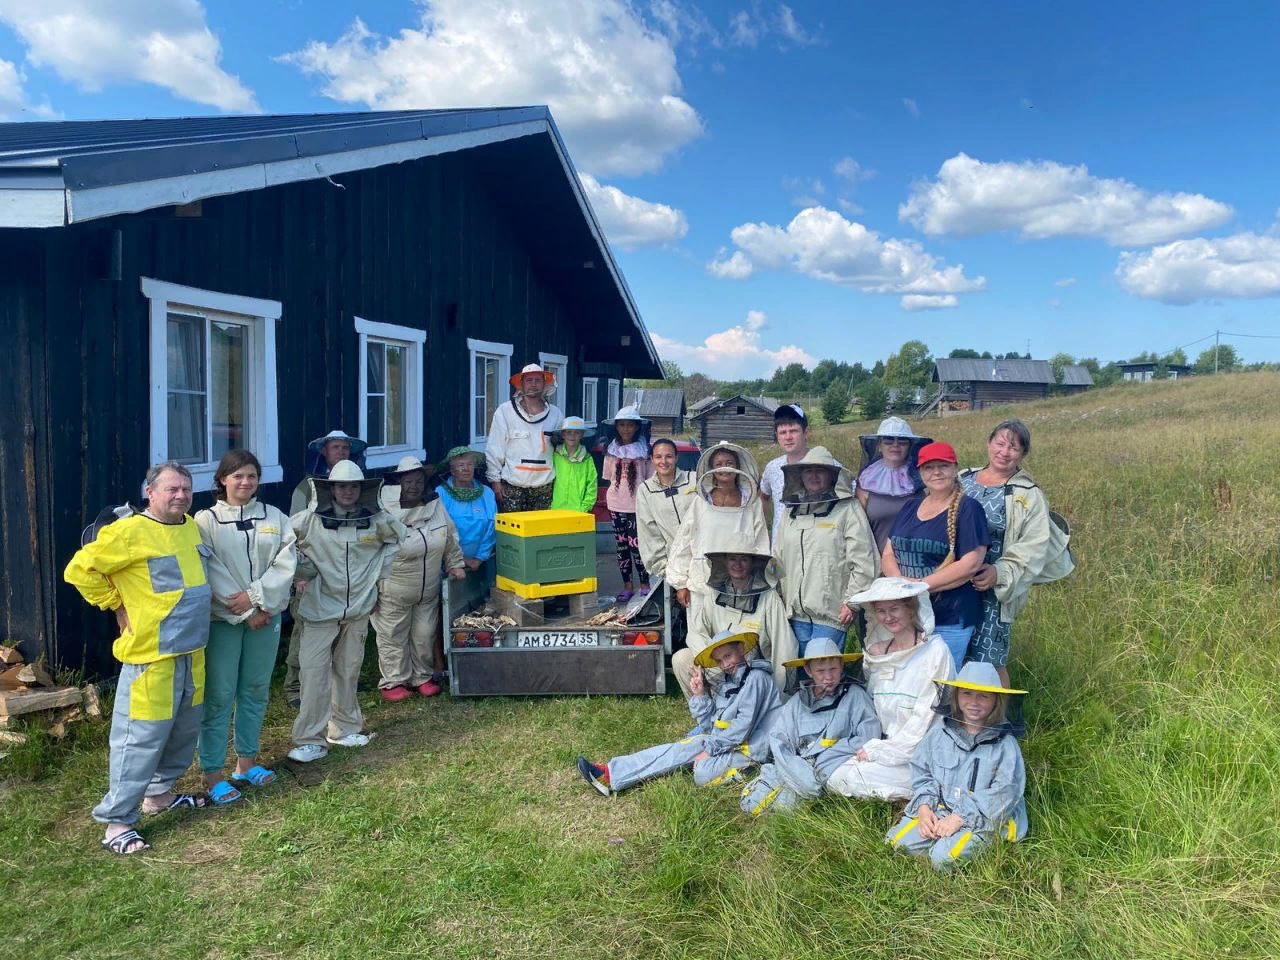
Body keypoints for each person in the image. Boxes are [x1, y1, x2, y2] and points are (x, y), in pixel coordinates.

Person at [64, 462, 213, 855]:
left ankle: (159, 796)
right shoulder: (127, 532)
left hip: (192, 652)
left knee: (182, 732)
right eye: (171, 489)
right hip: (152, 658)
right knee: (139, 740)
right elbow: (79, 570)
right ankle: (117, 823)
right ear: (150, 492)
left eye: (186, 488)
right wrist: (115, 604)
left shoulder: (191, 526)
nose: (180, 495)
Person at [194, 450, 297, 803]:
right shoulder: (205, 521)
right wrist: (243, 608)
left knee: (254, 690)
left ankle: (246, 763)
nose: (245, 482)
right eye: (237, 475)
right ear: (222, 479)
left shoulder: (276, 517)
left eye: (252, 475)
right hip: (224, 620)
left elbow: (287, 561)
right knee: (219, 695)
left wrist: (258, 601)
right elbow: (208, 566)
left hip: (264, 618)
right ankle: (213, 774)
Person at [288, 460, 406, 762]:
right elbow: (283, 545)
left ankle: (344, 728)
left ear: (363, 489)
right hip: (318, 611)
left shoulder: (378, 520)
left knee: (348, 671)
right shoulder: (308, 520)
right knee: (314, 675)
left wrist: (378, 575)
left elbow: (396, 539)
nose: (348, 492)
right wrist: (300, 571)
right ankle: (309, 739)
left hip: (357, 611)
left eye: (354, 486)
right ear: (330, 489)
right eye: (342, 486)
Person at [575, 629, 782, 795]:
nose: (726, 664)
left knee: (701, 772)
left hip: (755, 751)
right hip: (731, 744)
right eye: (720, 661)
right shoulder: (728, 684)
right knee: (682, 747)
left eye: (728, 656)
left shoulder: (757, 678)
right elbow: (712, 726)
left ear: (741, 649)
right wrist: (700, 695)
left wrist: (709, 750)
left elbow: (741, 728)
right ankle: (610, 773)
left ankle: (754, 770)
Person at [887, 661, 1028, 870]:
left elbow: (1005, 792)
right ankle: (938, 835)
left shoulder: (1005, 744)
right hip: (941, 807)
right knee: (897, 843)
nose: (974, 702)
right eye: (967, 693)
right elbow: (922, 772)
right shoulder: (939, 733)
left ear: (996, 700)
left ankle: (976, 841)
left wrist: (959, 818)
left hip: (984, 817)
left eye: (983, 696)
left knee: (942, 859)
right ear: (955, 695)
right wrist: (925, 809)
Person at [826, 578, 954, 802]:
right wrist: (872, 746)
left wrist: (881, 752)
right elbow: (870, 706)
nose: (888, 617)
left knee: (850, 778)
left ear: (911, 608)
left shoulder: (936, 653)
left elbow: (925, 720)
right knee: (836, 776)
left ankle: (926, 789)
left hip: (921, 751)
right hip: (880, 744)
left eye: (894, 608)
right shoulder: (878, 654)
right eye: (881, 611)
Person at [960, 419, 1059, 684]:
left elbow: (1034, 547)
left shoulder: (1028, 494)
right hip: (952, 583)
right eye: (1000, 443)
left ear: (1023, 454)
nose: (1004, 452)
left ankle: (999, 721)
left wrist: (999, 572)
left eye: (1013, 448)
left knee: (989, 662)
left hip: (991, 591)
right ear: (989, 443)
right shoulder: (962, 479)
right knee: (950, 654)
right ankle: (956, 718)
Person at [740, 637, 881, 817]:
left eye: (833, 669)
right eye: (820, 671)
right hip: (796, 766)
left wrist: (829, 756)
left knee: (785, 808)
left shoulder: (855, 696)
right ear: (808, 671)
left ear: (842, 666)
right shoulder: (797, 702)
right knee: (753, 803)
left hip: (833, 766)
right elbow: (779, 739)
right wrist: (795, 767)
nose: (828, 677)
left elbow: (869, 734)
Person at [881, 441, 990, 669]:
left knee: (941, 685)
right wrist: (901, 584)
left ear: (954, 469)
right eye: (929, 468)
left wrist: (920, 586)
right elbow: (889, 553)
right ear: (920, 473)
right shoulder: (910, 507)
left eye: (943, 466)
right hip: (911, 616)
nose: (937, 472)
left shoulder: (968, 508)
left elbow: (971, 562)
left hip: (950, 616)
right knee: (912, 680)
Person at [284, 428, 368, 706]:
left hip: (346, 573)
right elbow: (292, 532)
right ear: (324, 452)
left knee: (345, 630)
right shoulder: (306, 487)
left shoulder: (358, 485)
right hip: (313, 571)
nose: (341, 452)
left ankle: (339, 684)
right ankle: (295, 686)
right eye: (335, 448)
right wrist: (299, 574)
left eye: (345, 448)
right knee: (305, 628)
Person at [372, 456, 466, 702]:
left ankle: (422, 677)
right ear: (399, 482)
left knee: (424, 635)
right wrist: (370, 590)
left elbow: (450, 535)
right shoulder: (383, 510)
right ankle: (394, 681)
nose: (414, 485)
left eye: (418, 480)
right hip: (393, 587)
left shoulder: (435, 505)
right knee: (393, 635)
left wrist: (455, 565)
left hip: (428, 587)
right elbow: (369, 552)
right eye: (409, 480)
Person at [772, 446, 879, 655]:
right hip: (794, 614)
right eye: (808, 471)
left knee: (824, 675)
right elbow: (778, 557)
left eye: (820, 471)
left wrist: (852, 602)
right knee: (800, 675)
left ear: (832, 475)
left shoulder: (848, 509)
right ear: (800, 476)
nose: (814, 476)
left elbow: (865, 560)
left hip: (833, 614)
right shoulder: (790, 511)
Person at [666, 442, 769, 630]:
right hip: (701, 582)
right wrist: (680, 583)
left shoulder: (752, 504)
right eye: (719, 463)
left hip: (739, 584)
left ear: (738, 467)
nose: (725, 467)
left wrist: (757, 581)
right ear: (711, 469)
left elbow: (761, 543)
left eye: (729, 462)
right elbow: (683, 542)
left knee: (734, 638)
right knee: (701, 633)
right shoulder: (700, 503)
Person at [672, 543, 797, 696]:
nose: (737, 565)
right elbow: (696, 633)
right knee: (681, 659)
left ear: (752, 562)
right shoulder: (714, 593)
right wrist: (714, 664)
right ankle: (705, 713)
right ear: (724, 562)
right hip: (720, 665)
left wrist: (779, 695)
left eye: (744, 559)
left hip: (754, 674)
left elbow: (784, 646)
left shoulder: (769, 598)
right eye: (732, 559)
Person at [485, 362, 564, 512]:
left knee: (540, 532)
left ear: (544, 383)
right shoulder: (505, 411)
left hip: (545, 486)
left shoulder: (556, 414)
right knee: (514, 532)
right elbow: (495, 448)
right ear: (521, 384)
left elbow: (562, 450)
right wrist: (495, 481)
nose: (533, 384)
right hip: (512, 484)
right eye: (529, 380)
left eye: (537, 380)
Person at [856, 417, 932, 554]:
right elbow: (858, 531)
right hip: (877, 564)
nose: (895, 445)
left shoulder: (925, 481)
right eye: (889, 440)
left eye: (902, 441)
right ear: (879, 445)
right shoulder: (864, 484)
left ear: (910, 446)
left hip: (919, 562)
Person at [601, 405, 654, 602]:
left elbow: (649, 479)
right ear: (616, 427)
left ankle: (645, 584)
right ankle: (627, 586)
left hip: (637, 506)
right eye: (622, 425)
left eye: (630, 425)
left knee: (638, 547)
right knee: (621, 547)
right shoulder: (611, 451)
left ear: (637, 427)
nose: (626, 429)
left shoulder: (645, 451)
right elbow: (608, 477)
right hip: (616, 504)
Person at [634, 437, 696, 581]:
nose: (664, 461)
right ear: (652, 459)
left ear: (676, 458)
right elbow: (648, 532)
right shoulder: (646, 490)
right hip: (672, 564)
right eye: (658, 457)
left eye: (669, 456)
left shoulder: (694, 479)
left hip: (700, 558)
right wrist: (666, 569)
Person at [436, 446, 498, 575]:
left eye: (470, 464)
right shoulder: (440, 493)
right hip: (449, 565)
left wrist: (479, 557)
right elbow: (439, 530)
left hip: (482, 563)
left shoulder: (487, 493)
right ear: (452, 471)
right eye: (460, 465)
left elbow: (493, 526)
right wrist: (457, 560)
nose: (466, 469)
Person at [758, 403, 811, 545]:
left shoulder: (825, 465)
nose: (788, 437)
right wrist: (763, 531)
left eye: (793, 431)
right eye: (782, 432)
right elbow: (764, 496)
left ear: (806, 432)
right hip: (780, 550)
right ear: (777, 436)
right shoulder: (772, 467)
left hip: (812, 551)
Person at [550, 416, 598, 514]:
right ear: (563, 434)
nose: (572, 436)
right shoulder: (555, 455)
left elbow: (592, 485)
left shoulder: (587, 459)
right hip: (555, 509)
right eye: (569, 432)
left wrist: (585, 507)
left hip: (578, 511)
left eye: (577, 432)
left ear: (582, 435)